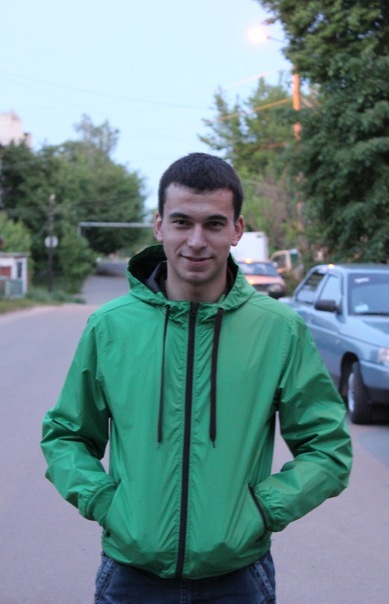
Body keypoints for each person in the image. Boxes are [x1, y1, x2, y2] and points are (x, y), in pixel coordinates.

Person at [41, 152, 352, 603]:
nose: (196, 241)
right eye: (182, 222)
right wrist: (106, 503)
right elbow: (66, 435)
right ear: (159, 226)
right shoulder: (110, 327)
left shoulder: (278, 329)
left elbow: (327, 447)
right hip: (131, 577)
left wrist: (264, 509)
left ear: (237, 230)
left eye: (214, 224)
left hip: (238, 579)